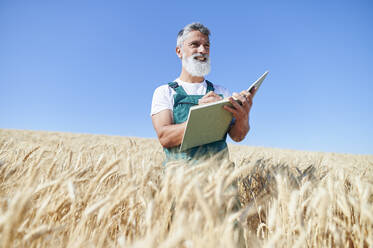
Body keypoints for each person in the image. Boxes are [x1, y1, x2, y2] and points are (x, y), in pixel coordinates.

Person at [151, 22, 255, 163]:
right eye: (195, 44)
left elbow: (238, 136)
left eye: (207, 46)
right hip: (180, 181)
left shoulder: (221, 92)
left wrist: (243, 116)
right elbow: (165, 137)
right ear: (179, 51)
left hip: (219, 181)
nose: (203, 50)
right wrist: (202, 116)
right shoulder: (165, 92)